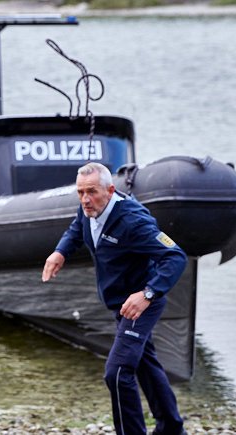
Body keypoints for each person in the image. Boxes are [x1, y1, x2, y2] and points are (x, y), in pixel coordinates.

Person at [42, 163, 187, 435]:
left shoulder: (134, 221)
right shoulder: (88, 208)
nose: (85, 199)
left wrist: (147, 294)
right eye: (80, 192)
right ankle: (172, 428)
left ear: (110, 190)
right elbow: (77, 226)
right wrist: (60, 252)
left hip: (142, 304)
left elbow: (175, 256)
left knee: (117, 373)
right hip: (120, 304)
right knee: (145, 364)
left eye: (92, 192)